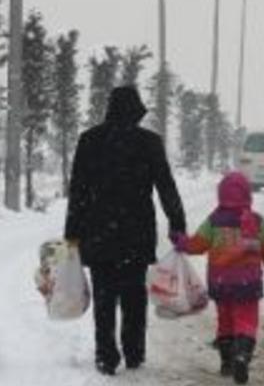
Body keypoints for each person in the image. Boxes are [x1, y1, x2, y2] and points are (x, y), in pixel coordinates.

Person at [63, 86, 186, 376]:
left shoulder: (90, 140)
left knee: (104, 297)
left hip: (99, 231)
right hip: (136, 232)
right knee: (134, 295)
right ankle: (133, 351)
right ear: (136, 110)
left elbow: (78, 190)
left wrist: (72, 232)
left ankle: (106, 354)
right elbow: (166, 186)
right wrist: (176, 222)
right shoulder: (149, 142)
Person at [174, 172, 264, 384]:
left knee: (225, 321)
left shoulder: (214, 221)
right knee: (246, 321)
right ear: (247, 194)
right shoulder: (257, 221)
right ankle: (242, 354)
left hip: (221, 282)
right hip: (248, 284)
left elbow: (198, 244)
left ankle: (226, 362)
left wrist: (182, 242)